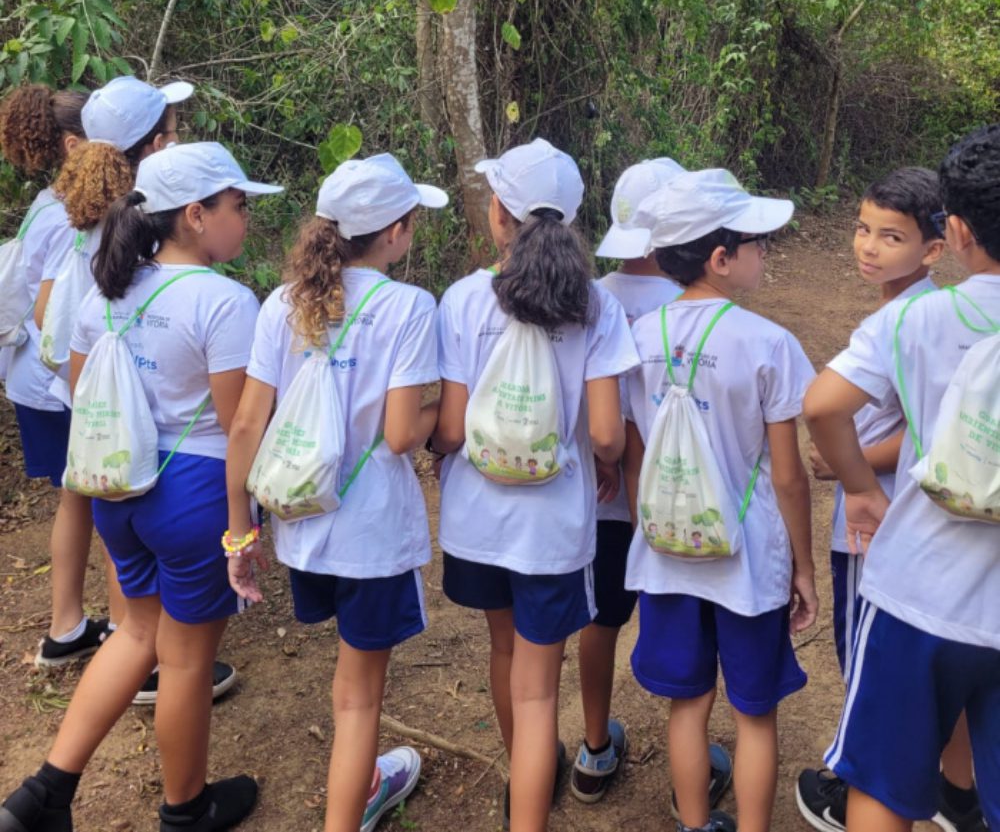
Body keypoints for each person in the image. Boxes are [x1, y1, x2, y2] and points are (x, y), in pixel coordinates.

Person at [0, 141, 280, 832]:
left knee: (136, 632)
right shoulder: (224, 301)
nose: (246, 219)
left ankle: (43, 793)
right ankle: (187, 809)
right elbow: (235, 422)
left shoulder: (106, 289)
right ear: (195, 214)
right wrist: (248, 519)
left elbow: (78, 389)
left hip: (117, 488)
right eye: (238, 205)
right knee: (186, 660)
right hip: (194, 496)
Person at [224, 153, 446, 832]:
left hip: (303, 529)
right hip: (372, 533)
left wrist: (240, 531)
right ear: (397, 231)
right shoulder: (409, 307)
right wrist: (451, 421)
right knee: (357, 699)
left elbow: (244, 424)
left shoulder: (283, 305)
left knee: (346, 685)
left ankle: (362, 788)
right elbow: (404, 433)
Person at [431, 138, 640, 831]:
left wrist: (436, 453)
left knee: (502, 650)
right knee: (538, 689)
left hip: (477, 522)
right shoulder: (596, 307)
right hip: (552, 530)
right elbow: (608, 434)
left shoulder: (463, 300)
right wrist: (604, 458)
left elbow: (454, 428)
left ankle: (527, 772)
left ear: (498, 214)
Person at [803, 125, 1000, 832]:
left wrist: (858, 485)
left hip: (919, 591)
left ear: (954, 229)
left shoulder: (916, 317)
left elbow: (823, 405)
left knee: (882, 784)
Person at [622, 169, 817, 832]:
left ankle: (694, 823)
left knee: (688, 701)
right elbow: (789, 477)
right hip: (747, 560)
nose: (766, 252)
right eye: (755, 242)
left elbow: (633, 451)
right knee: (754, 712)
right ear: (720, 257)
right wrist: (803, 566)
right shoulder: (768, 346)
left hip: (668, 553)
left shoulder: (639, 338)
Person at [571, 156, 734, 810]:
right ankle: (688, 775)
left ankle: (593, 746)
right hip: (682, 511)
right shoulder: (692, 307)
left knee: (601, 618)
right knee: (687, 635)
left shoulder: (589, 296)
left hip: (606, 501)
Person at [0, 84, 112, 663]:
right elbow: (52, 312)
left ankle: (69, 626)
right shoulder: (63, 215)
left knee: (78, 497)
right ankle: (127, 634)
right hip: (54, 383)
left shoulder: (50, 205)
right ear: (74, 144)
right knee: (103, 491)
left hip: (35, 379)